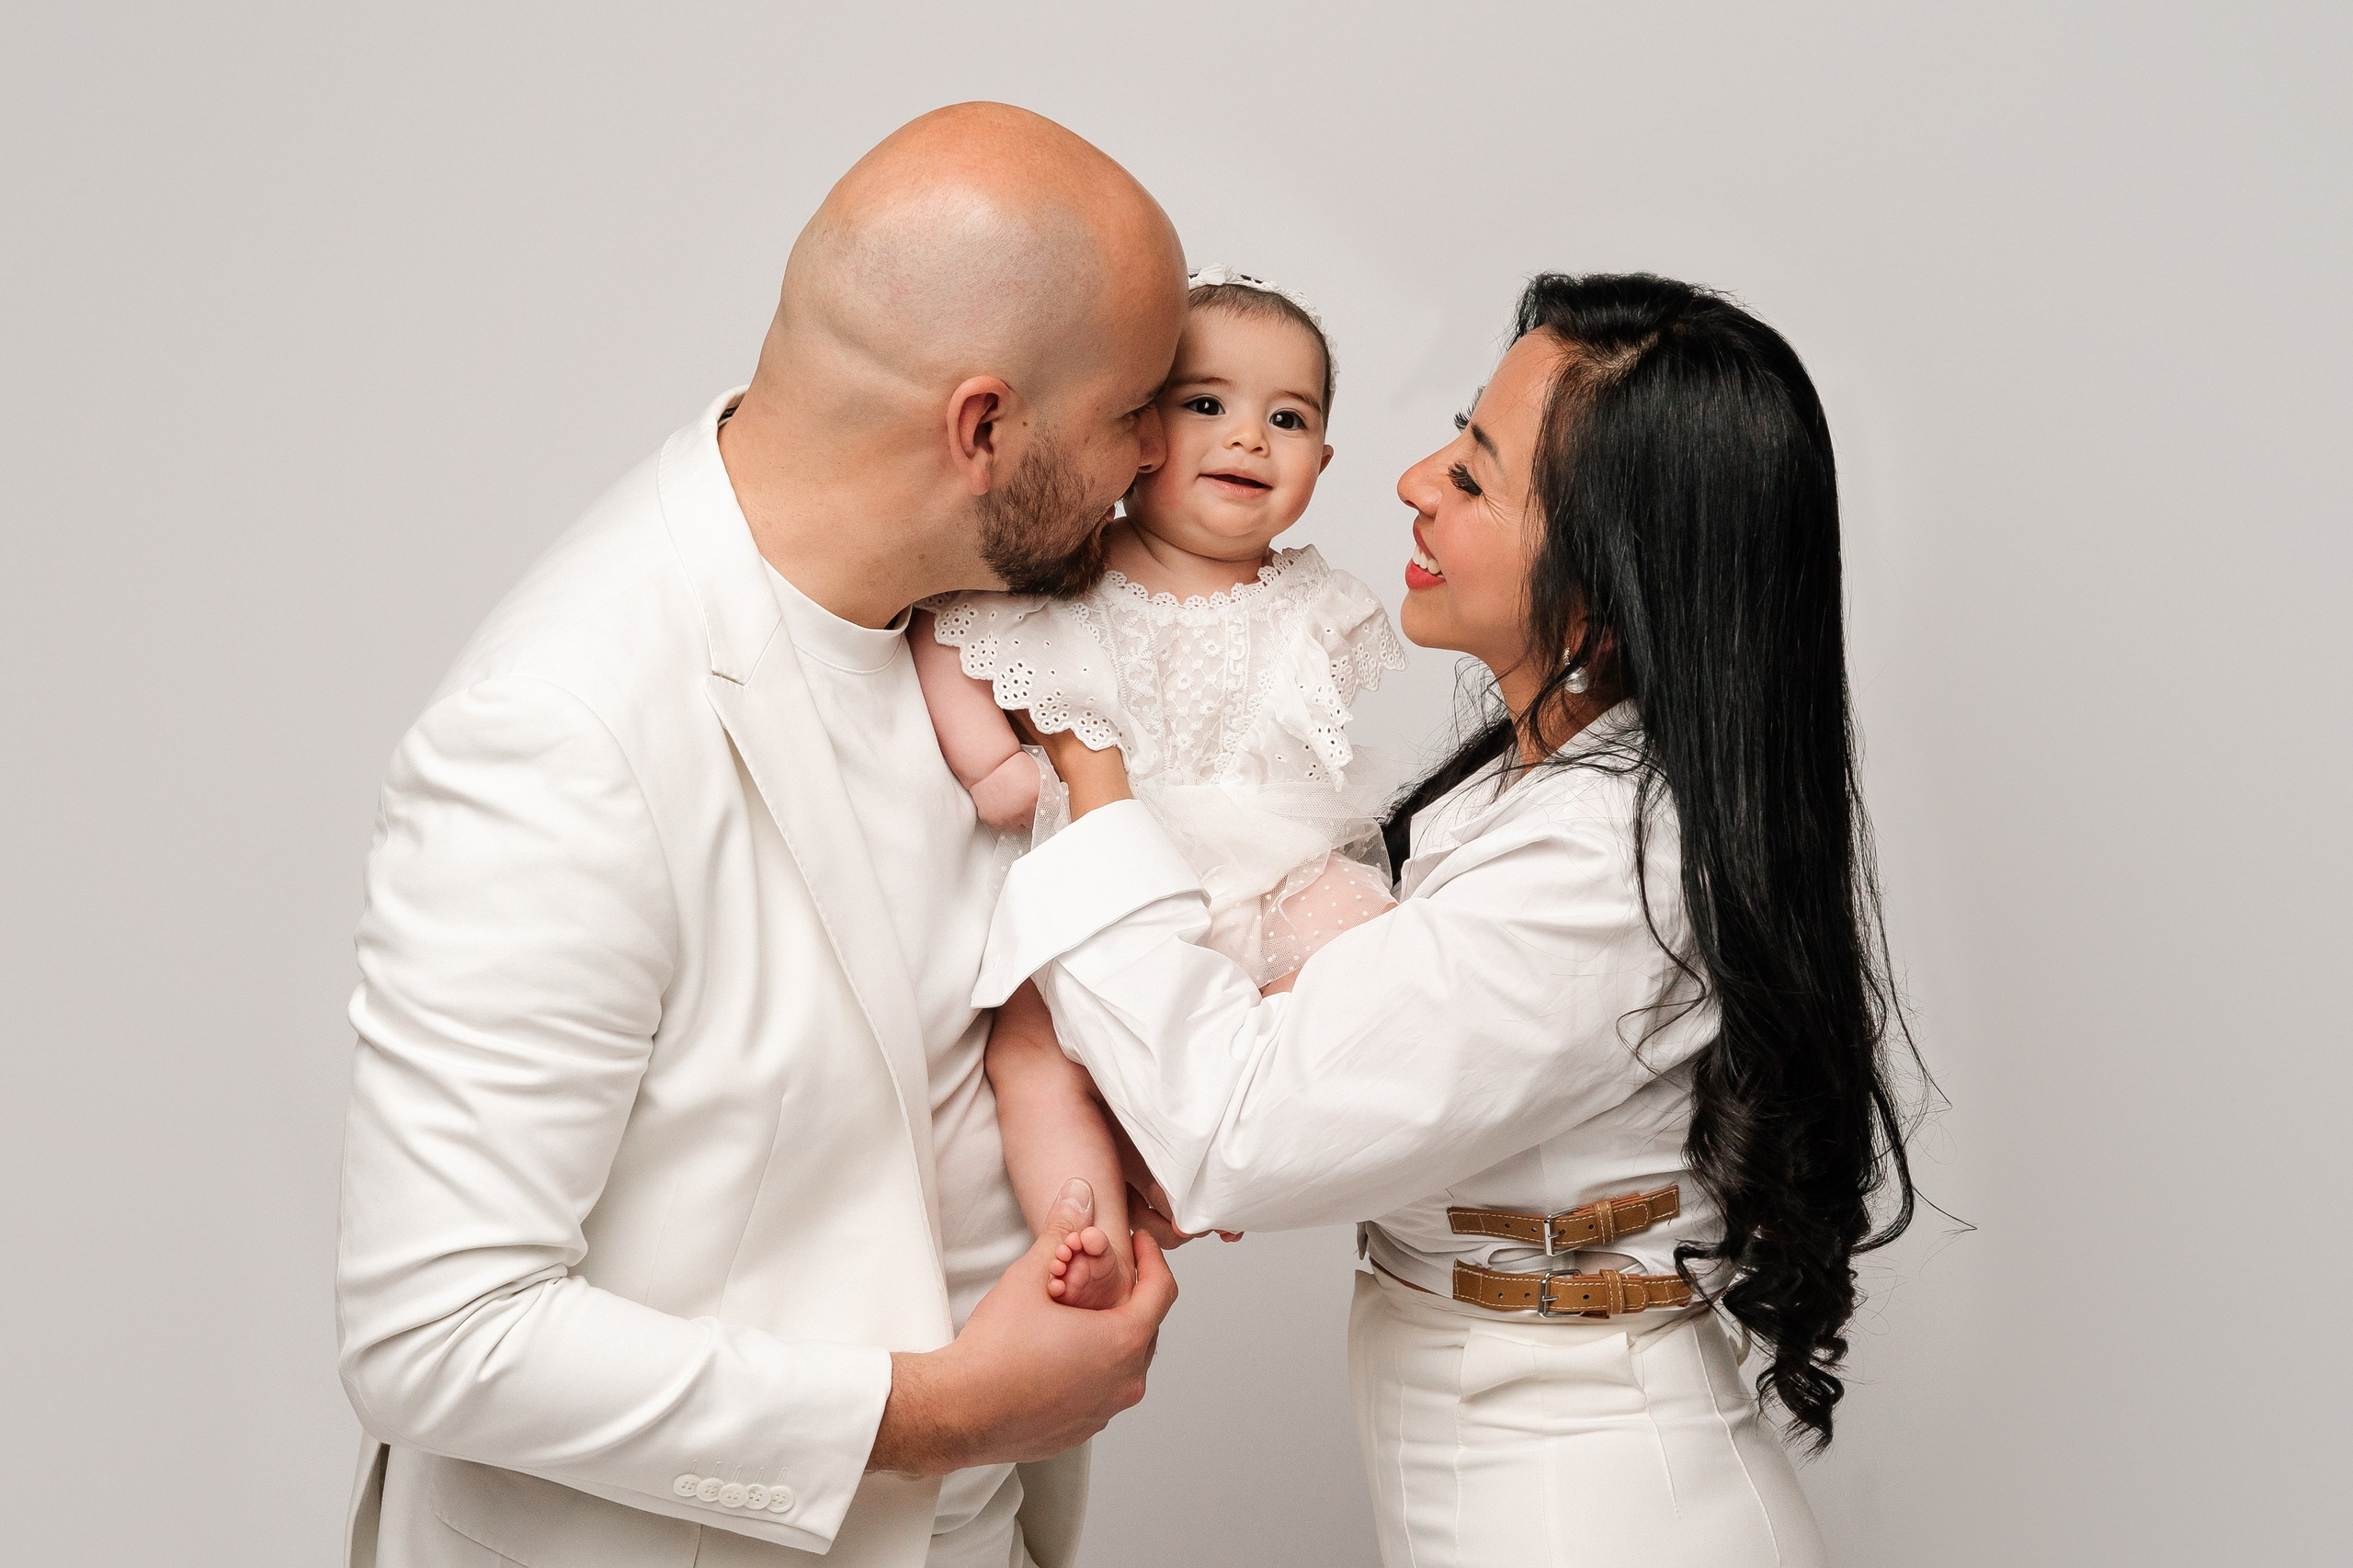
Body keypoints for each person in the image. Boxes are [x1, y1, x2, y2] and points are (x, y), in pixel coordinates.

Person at [333, 104, 1186, 1568]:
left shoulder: (995, 633)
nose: (1168, 455)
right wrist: (935, 1416)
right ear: (982, 427)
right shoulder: (567, 725)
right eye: (1138, 406)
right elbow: (436, 1331)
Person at [981, 273, 1919, 1565]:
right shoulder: (1532, 779)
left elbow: (1240, 1129)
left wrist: (1095, 776)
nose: (1417, 478)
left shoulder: (1610, 860)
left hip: (1595, 1502)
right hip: (1497, 1446)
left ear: (1610, 571)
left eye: (1477, 473)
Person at [912, 267, 1406, 1308]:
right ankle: (1080, 1221)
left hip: (1267, 868)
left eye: (1287, 417)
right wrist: (987, 762)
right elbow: (951, 631)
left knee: (1371, 953)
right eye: (1205, 405)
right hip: (1108, 868)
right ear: (1138, 432)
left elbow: (1305, 762)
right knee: (1033, 1052)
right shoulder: (1072, 567)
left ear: (1321, 458)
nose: (1247, 438)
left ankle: (1221, 1148)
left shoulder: (1316, 601)